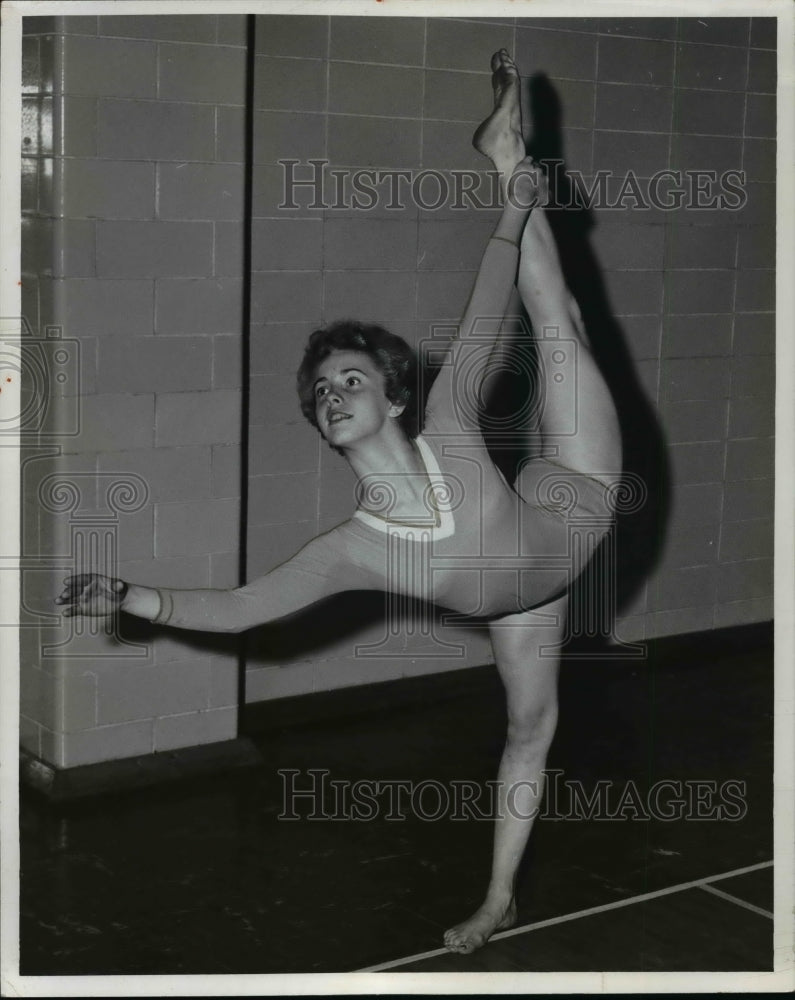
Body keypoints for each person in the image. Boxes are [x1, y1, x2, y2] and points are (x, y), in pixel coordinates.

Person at [56, 50, 622, 955]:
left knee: (558, 321)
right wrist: (131, 595)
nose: (331, 395)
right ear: (324, 427)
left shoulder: (446, 419)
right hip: (533, 595)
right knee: (527, 729)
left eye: (349, 379)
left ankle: (505, 156)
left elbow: (489, 312)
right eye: (320, 393)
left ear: (392, 397)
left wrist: (514, 207)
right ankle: (498, 898)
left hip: (575, 492)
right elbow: (240, 609)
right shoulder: (351, 549)